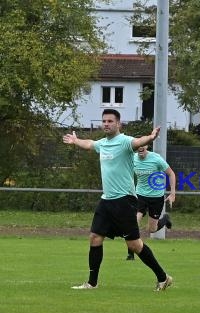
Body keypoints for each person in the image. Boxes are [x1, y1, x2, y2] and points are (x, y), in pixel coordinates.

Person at [62, 108, 173, 291]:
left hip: (124, 201)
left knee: (135, 245)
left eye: (110, 121)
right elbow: (89, 143)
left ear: (118, 124)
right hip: (106, 200)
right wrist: (75, 141)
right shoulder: (102, 144)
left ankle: (163, 277)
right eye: (104, 121)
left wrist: (151, 138)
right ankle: (92, 283)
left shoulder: (124, 142)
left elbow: (138, 142)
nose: (106, 124)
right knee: (95, 238)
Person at [126, 144, 176, 260]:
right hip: (140, 195)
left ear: (147, 146)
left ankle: (165, 219)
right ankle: (131, 253)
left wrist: (172, 193)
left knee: (151, 229)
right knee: (134, 222)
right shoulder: (132, 158)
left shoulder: (156, 159)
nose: (140, 148)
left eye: (142, 146)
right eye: (138, 146)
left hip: (156, 197)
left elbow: (171, 173)